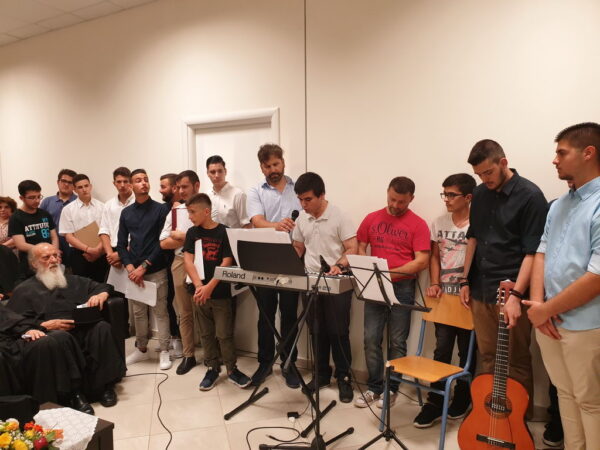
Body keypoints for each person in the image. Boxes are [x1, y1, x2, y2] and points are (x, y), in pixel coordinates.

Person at [523, 122, 600, 449]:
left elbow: (597, 276)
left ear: (588, 153)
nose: (554, 160)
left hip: (585, 324)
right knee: (565, 396)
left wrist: (545, 310)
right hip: (549, 320)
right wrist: (538, 305)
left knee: (591, 402)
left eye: (561, 152)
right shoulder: (558, 204)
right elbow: (541, 251)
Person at [460, 139, 548, 418]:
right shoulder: (479, 194)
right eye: (479, 175)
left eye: (488, 172)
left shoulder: (531, 196)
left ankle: (517, 423)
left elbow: (533, 252)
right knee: (487, 357)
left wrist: (517, 296)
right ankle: (489, 418)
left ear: (503, 163)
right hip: (481, 289)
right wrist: (464, 280)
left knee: (515, 360)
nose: (484, 179)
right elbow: (474, 238)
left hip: (512, 292)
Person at [8, 243, 125, 409]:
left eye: (55, 256)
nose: (53, 260)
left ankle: (105, 387)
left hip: (80, 328)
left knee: (101, 328)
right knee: (61, 338)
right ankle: (75, 393)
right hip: (52, 334)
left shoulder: (72, 280)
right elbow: (15, 322)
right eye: (46, 257)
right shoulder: (24, 290)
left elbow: (103, 286)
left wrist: (101, 294)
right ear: (34, 263)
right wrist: (44, 325)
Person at [354, 176, 430, 408]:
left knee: (397, 341)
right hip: (374, 284)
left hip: (403, 285)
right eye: (392, 199)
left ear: (411, 199)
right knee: (370, 338)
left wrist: (389, 273)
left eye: (401, 202)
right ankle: (374, 387)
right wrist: (368, 267)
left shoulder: (418, 224)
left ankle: (392, 388)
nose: (395, 205)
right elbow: (360, 245)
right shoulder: (372, 218)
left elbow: (422, 261)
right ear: (387, 192)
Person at [413, 173, 477, 428]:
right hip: (444, 297)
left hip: (467, 298)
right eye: (445, 194)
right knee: (441, 349)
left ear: (468, 197)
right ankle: (435, 400)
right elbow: (435, 256)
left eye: (452, 195)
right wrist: (435, 282)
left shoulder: (478, 223)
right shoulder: (438, 222)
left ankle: (462, 397)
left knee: (467, 352)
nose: (447, 199)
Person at [291, 172, 357, 403]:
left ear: (321, 195)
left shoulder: (340, 216)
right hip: (310, 281)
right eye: (300, 199)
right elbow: (298, 247)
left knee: (338, 332)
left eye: (308, 199)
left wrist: (339, 265)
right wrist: (287, 260)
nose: (303, 204)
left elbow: (352, 247)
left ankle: (344, 378)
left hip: (336, 281)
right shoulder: (302, 218)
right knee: (316, 331)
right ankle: (321, 375)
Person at [246, 143, 302, 388]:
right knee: (266, 315)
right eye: (267, 166)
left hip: (293, 259)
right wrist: (277, 226)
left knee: (289, 314)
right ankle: (265, 363)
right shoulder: (255, 191)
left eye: (276, 164)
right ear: (262, 168)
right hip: (265, 260)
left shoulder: (297, 189)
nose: (273, 170)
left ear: (283, 162)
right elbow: (257, 221)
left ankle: (289, 364)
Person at [183, 193, 251, 390]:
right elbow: (188, 260)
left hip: (220, 292)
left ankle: (231, 369)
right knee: (205, 333)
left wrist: (209, 287)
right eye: (188, 212)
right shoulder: (192, 233)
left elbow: (226, 261)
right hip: (198, 293)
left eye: (192, 212)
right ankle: (212, 368)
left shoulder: (224, 232)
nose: (190, 217)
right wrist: (199, 287)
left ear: (206, 211)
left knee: (224, 334)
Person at [117, 169, 172, 370]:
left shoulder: (160, 210)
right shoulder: (126, 213)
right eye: (139, 180)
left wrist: (144, 266)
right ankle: (141, 349)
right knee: (138, 313)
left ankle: (164, 350)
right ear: (131, 185)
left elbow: (162, 243)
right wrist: (130, 267)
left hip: (155, 269)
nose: (144, 183)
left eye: (146, 180)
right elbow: (121, 244)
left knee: (160, 311)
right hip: (134, 272)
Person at [0, 304, 92, 414]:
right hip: (5, 345)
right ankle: (45, 408)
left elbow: (10, 319)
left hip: (12, 336)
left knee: (61, 337)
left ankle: (74, 394)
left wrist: (28, 330)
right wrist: (37, 326)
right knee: (44, 343)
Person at [159, 170, 200, 375]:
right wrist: (190, 238)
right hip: (179, 261)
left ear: (196, 186)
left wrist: (182, 236)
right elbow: (163, 242)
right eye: (179, 187)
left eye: (185, 186)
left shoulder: (207, 207)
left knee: (206, 310)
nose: (181, 191)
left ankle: (213, 355)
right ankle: (188, 355)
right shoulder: (175, 212)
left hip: (202, 261)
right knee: (184, 311)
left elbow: (209, 237)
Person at [59, 174, 107, 283]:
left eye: (86, 186)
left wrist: (98, 251)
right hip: (79, 254)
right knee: (82, 286)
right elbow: (69, 236)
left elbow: (107, 231)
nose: (84, 189)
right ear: (74, 189)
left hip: (101, 251)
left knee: (101, 285)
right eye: (80, 187)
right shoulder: (68, 209)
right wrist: (89, 250)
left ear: (90, 186)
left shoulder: (102, 207)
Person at [8, 180, 59, 281]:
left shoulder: (45, 214)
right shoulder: (16, 217)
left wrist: (54, 253)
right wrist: (45, 251)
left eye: (39, 196)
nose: (37, 200)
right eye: (32, 197)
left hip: (50, 263)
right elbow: (20, 244)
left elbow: (54, 237)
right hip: (30, 266)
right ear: (21, 198)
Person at [159, 172, 182, 351]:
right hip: (165, 260)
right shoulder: (162, 209)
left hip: (183, 259)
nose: (160, 190)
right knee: (168, 301)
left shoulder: (185, 208)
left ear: (174, 188)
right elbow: (163, 239)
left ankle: (183, 340)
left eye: (163, 186)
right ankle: (175, 336)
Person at [40, 169, 77, 269]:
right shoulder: (47, 201)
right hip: (50, 245)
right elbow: (40, 224)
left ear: (74, 185)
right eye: (63, 181)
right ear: (58, 182)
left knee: (73, 273)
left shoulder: (78, 201)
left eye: (70, 182)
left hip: (73, 246)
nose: (66, 184)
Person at [99, 167, 134, 271]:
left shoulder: (139, 203)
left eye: (125, 181)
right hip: (113, 253)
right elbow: (104, 230)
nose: (122, 185)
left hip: (134, 250)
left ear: (130, 182)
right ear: (114, 183)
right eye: (119, 182)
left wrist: (121, 254)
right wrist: (110, 255)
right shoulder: (108, 205)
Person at [205, 155, 251, 228]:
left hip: (232, 235)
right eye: (213, 172)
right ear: (208, 173)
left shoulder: (238, 195)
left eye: (220, 171)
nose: (217, 175)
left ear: (225, 171)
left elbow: (246, 225)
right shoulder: (206, 196)